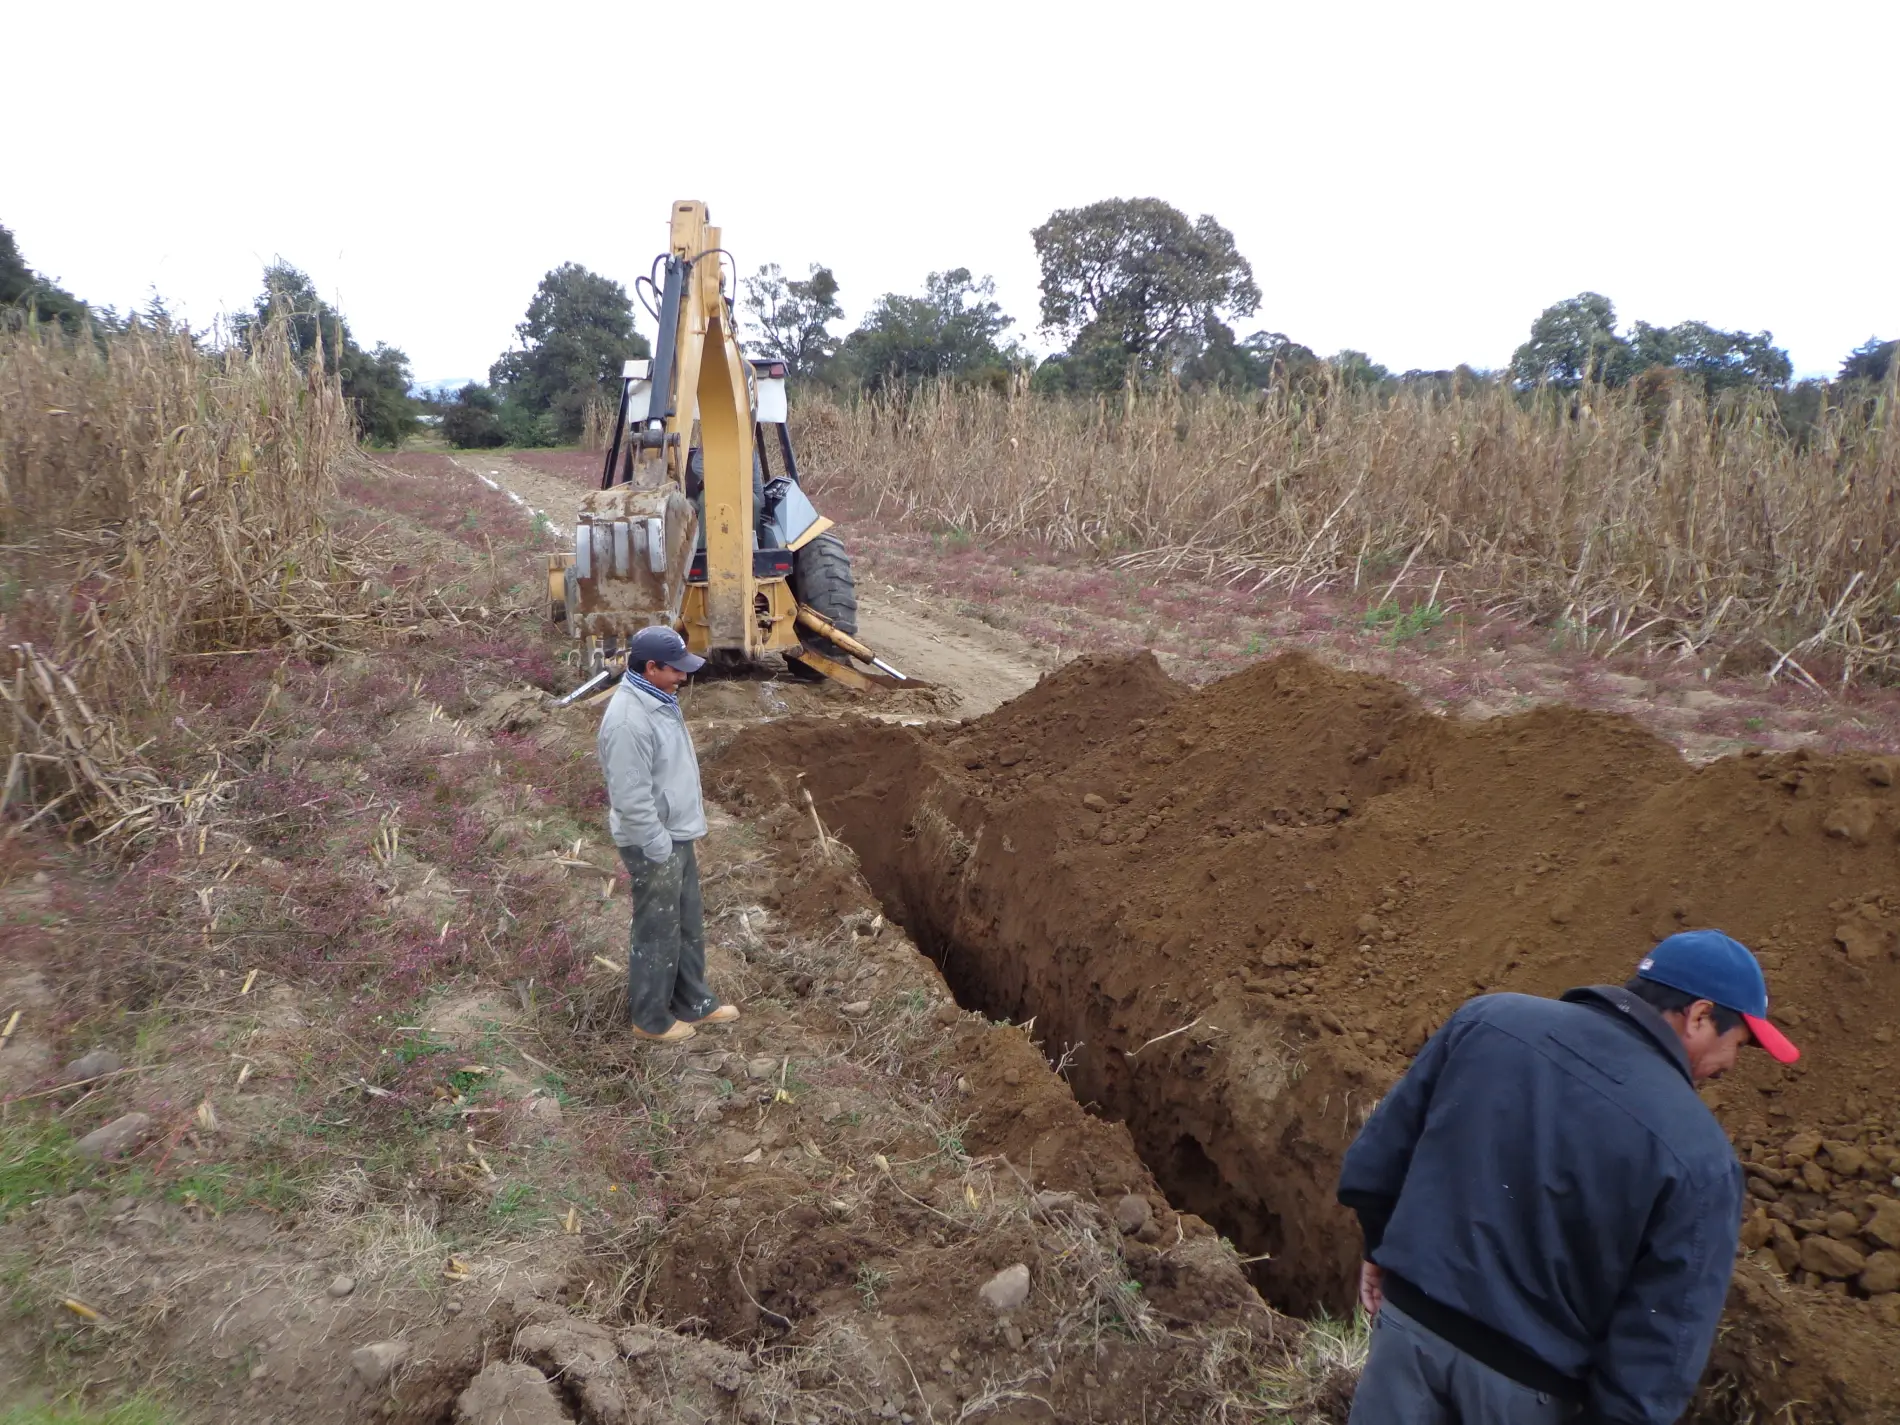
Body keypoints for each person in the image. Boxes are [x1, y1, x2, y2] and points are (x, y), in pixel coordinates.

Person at [1337, 929, 1799, 1425]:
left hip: (1406, 1340)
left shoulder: (1487, 1020)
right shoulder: (1703, 1159)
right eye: (1739, 1045)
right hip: (1526, 1392)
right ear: (1700, 1016)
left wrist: (1381, 1249)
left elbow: (1376, 1164)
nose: (1729, 1064)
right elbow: (1660, 1349)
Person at [597, 626, 739, 1044]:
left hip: (674, 834)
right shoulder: (627, 720)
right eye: (675, 670)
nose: (683, 677)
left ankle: (693, 1002)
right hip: (653, 841)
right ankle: (651, 1019)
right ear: (651, 667)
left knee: (687, 923)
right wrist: (657, 845)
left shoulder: (659, 699)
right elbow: (630, 797)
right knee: (657, 930)